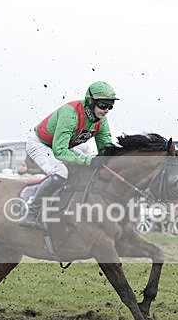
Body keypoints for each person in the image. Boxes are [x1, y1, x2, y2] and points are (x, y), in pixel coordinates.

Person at [21, 81, 117, 227]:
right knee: (60, 173)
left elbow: (106, 147)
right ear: (90, 101)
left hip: (62, 146)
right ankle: (32, 209)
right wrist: (89, 161)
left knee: (86, 167)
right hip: (40, 144)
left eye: (110, 106)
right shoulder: (70, 113)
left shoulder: (101, 121)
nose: (106, 110)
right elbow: (59, 151)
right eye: (103, 105)